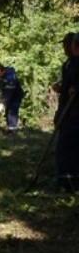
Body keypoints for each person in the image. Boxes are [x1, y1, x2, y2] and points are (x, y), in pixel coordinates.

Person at [55, 33, 79, 191]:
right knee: (64, 145)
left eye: (67, 45)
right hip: (67, 110)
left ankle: (72, 181)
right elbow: (67, 89)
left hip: (76, 112)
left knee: (71, 146)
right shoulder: (68, 64)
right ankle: (65, 180)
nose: (65, 48)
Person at [0, 63, 25, 133]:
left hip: (16, 95)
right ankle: (10, 128)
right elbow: (1, 88)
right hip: (8, 95)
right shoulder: (0, 76)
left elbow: (8, 92)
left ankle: (13, 130)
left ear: (3, 71)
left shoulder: (10, 77)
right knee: (7, 111)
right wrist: (1, 100)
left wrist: (2, 103)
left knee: (12, 111)